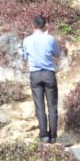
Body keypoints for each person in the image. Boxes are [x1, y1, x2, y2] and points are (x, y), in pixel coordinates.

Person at [22, 15, 61, 144]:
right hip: (49, 74)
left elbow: (25, 57)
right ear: (45, 26)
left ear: (32, 25)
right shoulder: (50, 39)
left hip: (35, 75)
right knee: (52, 106)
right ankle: (53, 136)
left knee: (39, 106)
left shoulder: (27, 40)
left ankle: (44, 136)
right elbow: (57, 54)